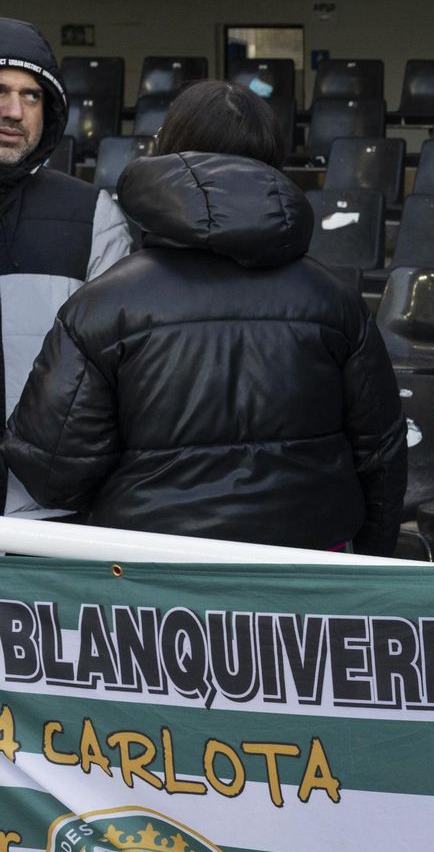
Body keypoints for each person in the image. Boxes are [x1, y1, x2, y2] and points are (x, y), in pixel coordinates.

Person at [2, 79, 406, 555]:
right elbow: (381, 457)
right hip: (309, 577)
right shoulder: (338, 302)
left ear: (168, 152)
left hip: (155, 583)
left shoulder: (101, 305)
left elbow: (51, 472)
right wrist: (375, 561)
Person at [0, 17, 133, 517]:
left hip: (49, 514)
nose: (14, 111)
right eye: (1, 90)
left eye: (32, 96)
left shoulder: (91, 217)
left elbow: (119, 372)